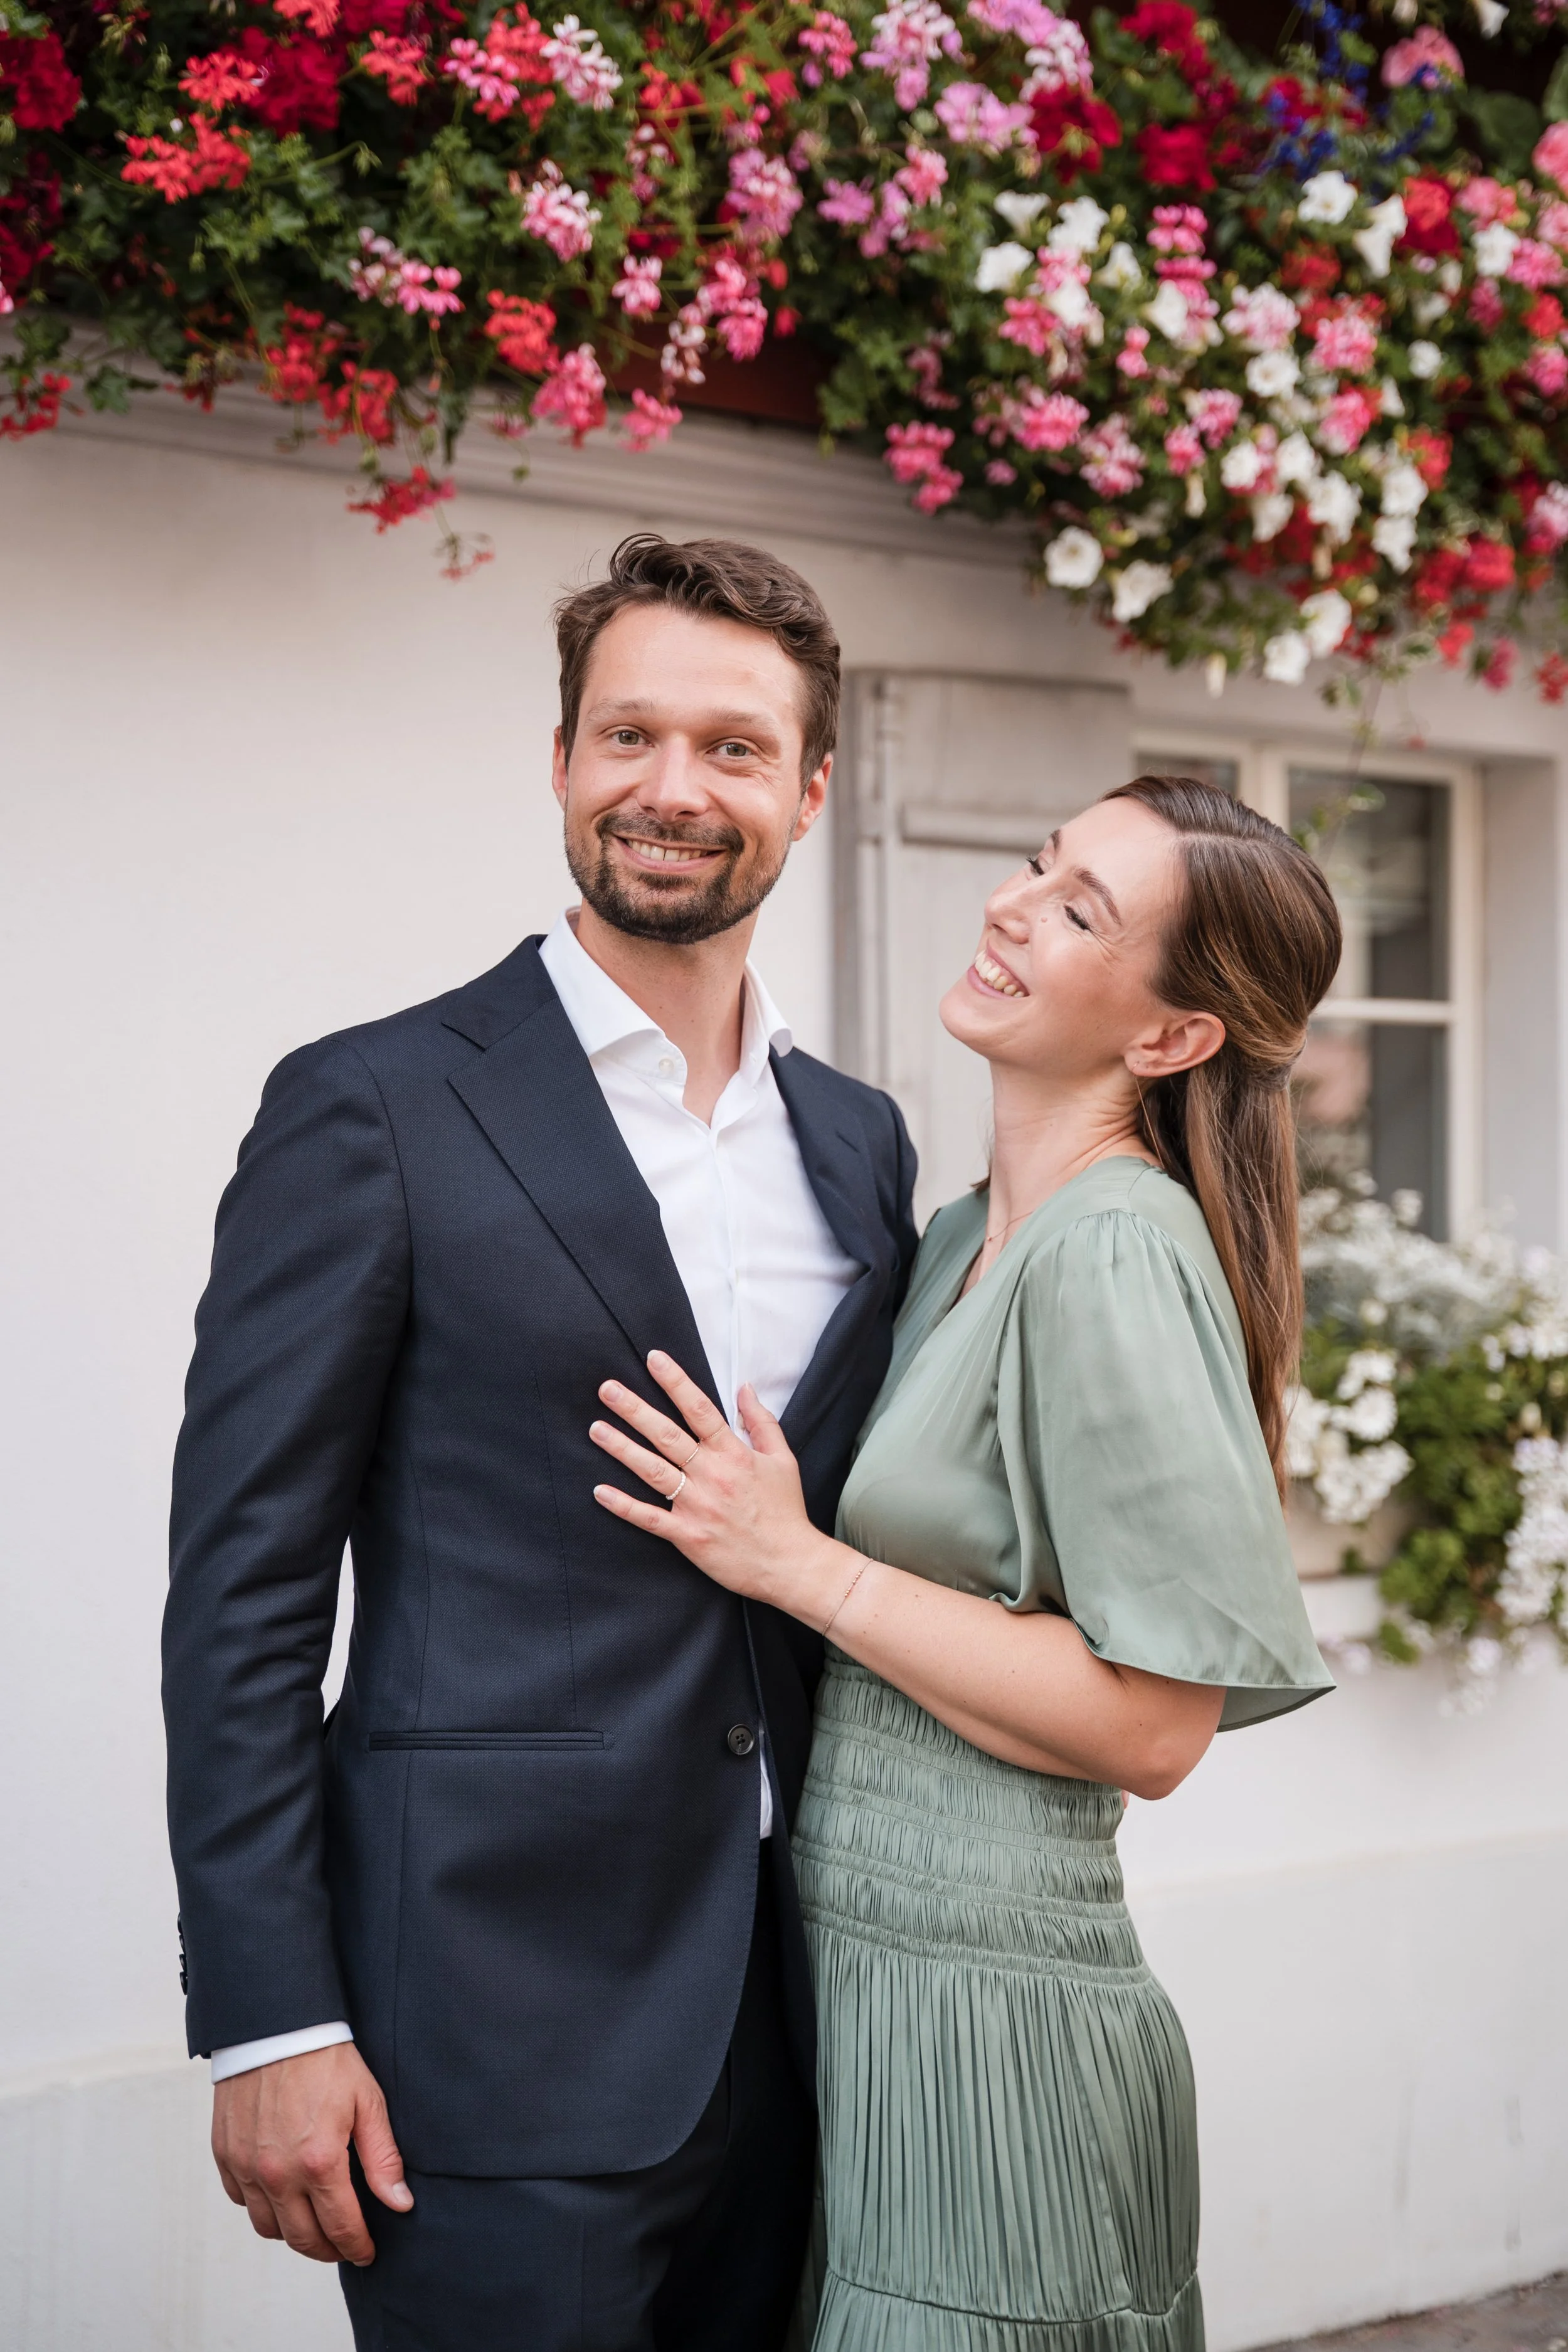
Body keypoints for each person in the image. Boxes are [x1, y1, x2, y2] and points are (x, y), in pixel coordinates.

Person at [162, 534, 919, 2351]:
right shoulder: (373, 1103)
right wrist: (273, 2017)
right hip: (478, 2025)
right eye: (627, 733)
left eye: (733, 746)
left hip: (804, 2010)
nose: (671, 787)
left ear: (811, 788)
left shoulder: (861, 1142)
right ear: (563, 759)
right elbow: (244, 1594)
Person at [588, 773, 1342, 2351]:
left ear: (1169, 1039)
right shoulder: (954, 1234)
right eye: (1037, 864)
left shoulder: (1114, 1246)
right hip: (865, 1991)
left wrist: (794, 1563)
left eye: (1080, 912)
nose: (1011, 903)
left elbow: (1154, 1726)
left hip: (994, 2022)